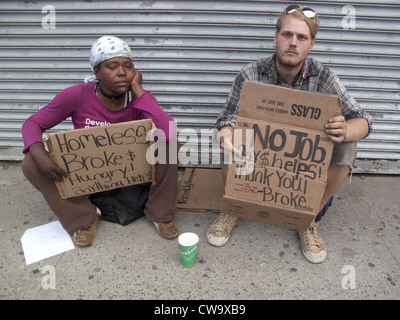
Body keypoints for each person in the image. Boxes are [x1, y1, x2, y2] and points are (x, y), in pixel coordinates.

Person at [208, 5, 372, 263]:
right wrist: (226, 134)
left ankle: (306, 218)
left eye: (302, 37)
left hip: (301, 171)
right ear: (276, 37)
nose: (293, 43)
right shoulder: (250, 73)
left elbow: (364, 119)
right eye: (287, 35)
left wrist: (347, 129)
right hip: (257, 164)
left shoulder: (324, 77)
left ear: (312, 43)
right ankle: (234, 206)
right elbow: (225, 118)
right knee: (234, 134)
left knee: (348, 146)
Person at [21, 36, 179, 246]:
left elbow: (169, 132)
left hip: (133, 176)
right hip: (90, 178)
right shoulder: (76, 95)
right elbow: (32, 123)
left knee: (167, 144)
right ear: (97, 72)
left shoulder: (139, 99)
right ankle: (83, 218)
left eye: (128, 67)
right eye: (111, 67)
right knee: (31, 162)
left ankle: (160, 214)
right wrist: (38, 151)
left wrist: (139, 91)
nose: (122, 73)